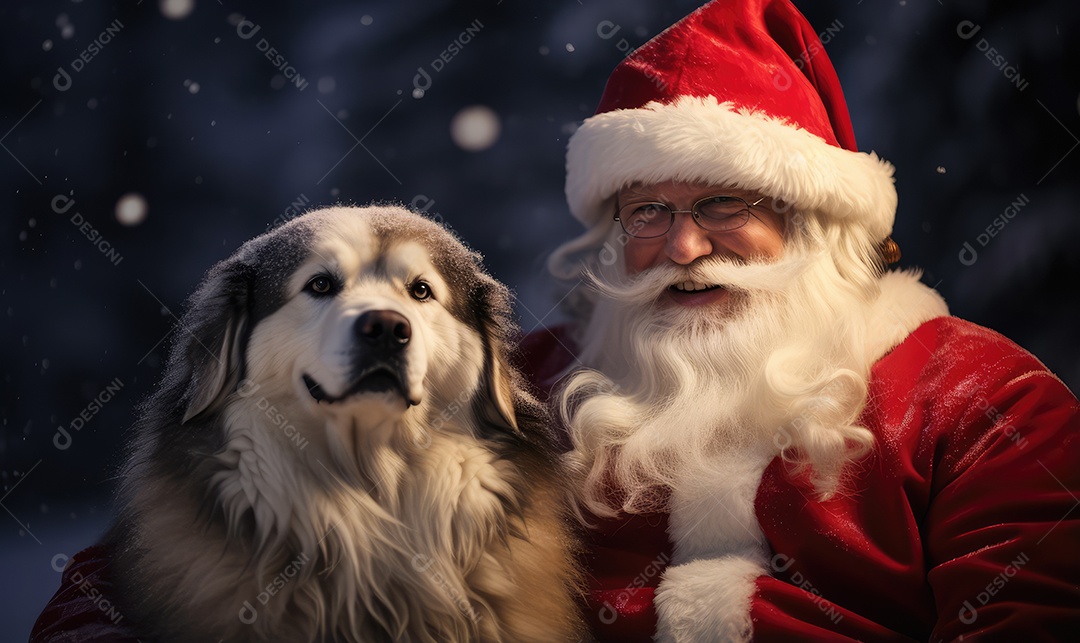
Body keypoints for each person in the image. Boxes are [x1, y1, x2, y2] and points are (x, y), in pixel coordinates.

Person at [520, 0, 1080, 641]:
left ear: (811, 223)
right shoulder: (526, 388)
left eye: (723, 205)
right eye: (647, 211)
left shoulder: (985, 401)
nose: (683, 249)